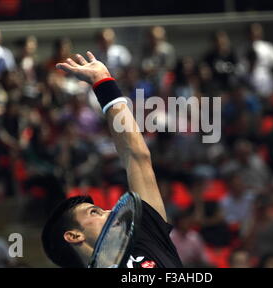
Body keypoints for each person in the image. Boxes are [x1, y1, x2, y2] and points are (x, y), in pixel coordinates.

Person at [41, 51, 183, 268]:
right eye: (95, 212)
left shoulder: (147, 235)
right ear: (74, 236)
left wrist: (103, 82)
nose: (113, 210)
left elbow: (137, 157)